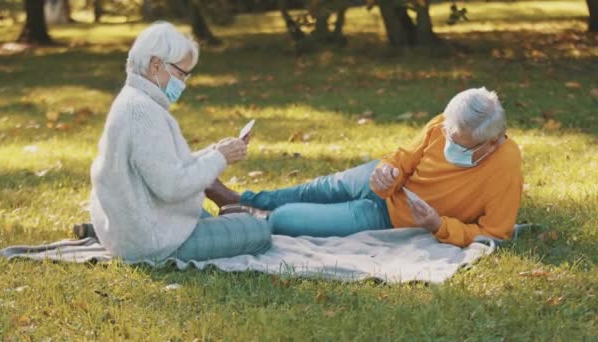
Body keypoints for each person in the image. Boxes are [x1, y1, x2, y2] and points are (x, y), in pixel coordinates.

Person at [228, 87, 523, 247]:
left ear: (492, 142)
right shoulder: (449, 123)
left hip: (390, 217)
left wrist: (439, 226)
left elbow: (496, 234)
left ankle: (247, 218)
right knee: (313, 189)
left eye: (459, 143)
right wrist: (388, 169)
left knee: (288, 220)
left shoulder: (505, 166)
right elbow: (406, 155)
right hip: (381, 182)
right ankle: (239, 201)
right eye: (447, 134)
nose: (448, 142)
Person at [86, 22, 271, 263]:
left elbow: (165, 166)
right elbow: (172, 187)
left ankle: (97, 232)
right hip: (151, 242)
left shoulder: (134, 100)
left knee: (223, 219)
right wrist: (220, 157)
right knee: (260, 232)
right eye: (181, 73)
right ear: (155, 65)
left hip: (136, 226)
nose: (183, 82)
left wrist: (216, 151)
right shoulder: (142, 112)